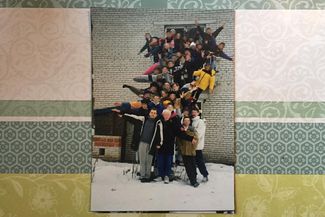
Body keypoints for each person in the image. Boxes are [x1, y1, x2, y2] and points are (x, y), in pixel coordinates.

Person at [156, 109, 196, 184]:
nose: (166, 116)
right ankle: (160, 175)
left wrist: (191, 139)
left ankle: (167, 176)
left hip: (169, 146)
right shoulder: (159, 122)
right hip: (160, 146)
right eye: (165, 115)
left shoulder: (173, 124)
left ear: (170, 116)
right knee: (160, 162)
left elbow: (180, 134)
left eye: (168, 115)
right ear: (162, 115)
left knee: (168, 162)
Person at [122, 108, 163, 182]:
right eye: (152, 112)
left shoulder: (158, 123)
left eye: (154, 113)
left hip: (151, 144)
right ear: (149, 113)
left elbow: (160, 133)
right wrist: (123, 114)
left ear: (156, 114)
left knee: (149, 161)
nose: (153, 114)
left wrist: (159, 143)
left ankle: (147, 176)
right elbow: (134, 117)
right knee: (142, 160)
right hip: (142, 143)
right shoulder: (144, 119)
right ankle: (142, 175)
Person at [177, 116, 199, 187]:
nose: (186, 122)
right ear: (183, 121)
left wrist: (193, 148)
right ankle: (193, 181)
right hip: (184, 152)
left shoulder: (192, 129)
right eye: (185, 120)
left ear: (190, 122)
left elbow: (196, 139)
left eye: (188, 120)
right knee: (188, 166)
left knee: (193, 166)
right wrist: (181, 148)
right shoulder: (181, 130)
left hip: (191, 151)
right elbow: (178, 140)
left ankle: (194, 178)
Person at [191, 107, 209, 182]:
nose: (193, 113)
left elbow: (199, 134)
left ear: (198, 113)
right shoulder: (191, 121)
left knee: (199, 161)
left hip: (197, 145)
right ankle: (193, 176)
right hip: (191, 145)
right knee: (192, 162)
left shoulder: (200, 122)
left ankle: (205, 175)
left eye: (195, 112)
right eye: (192, 112)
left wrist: (191, 136)